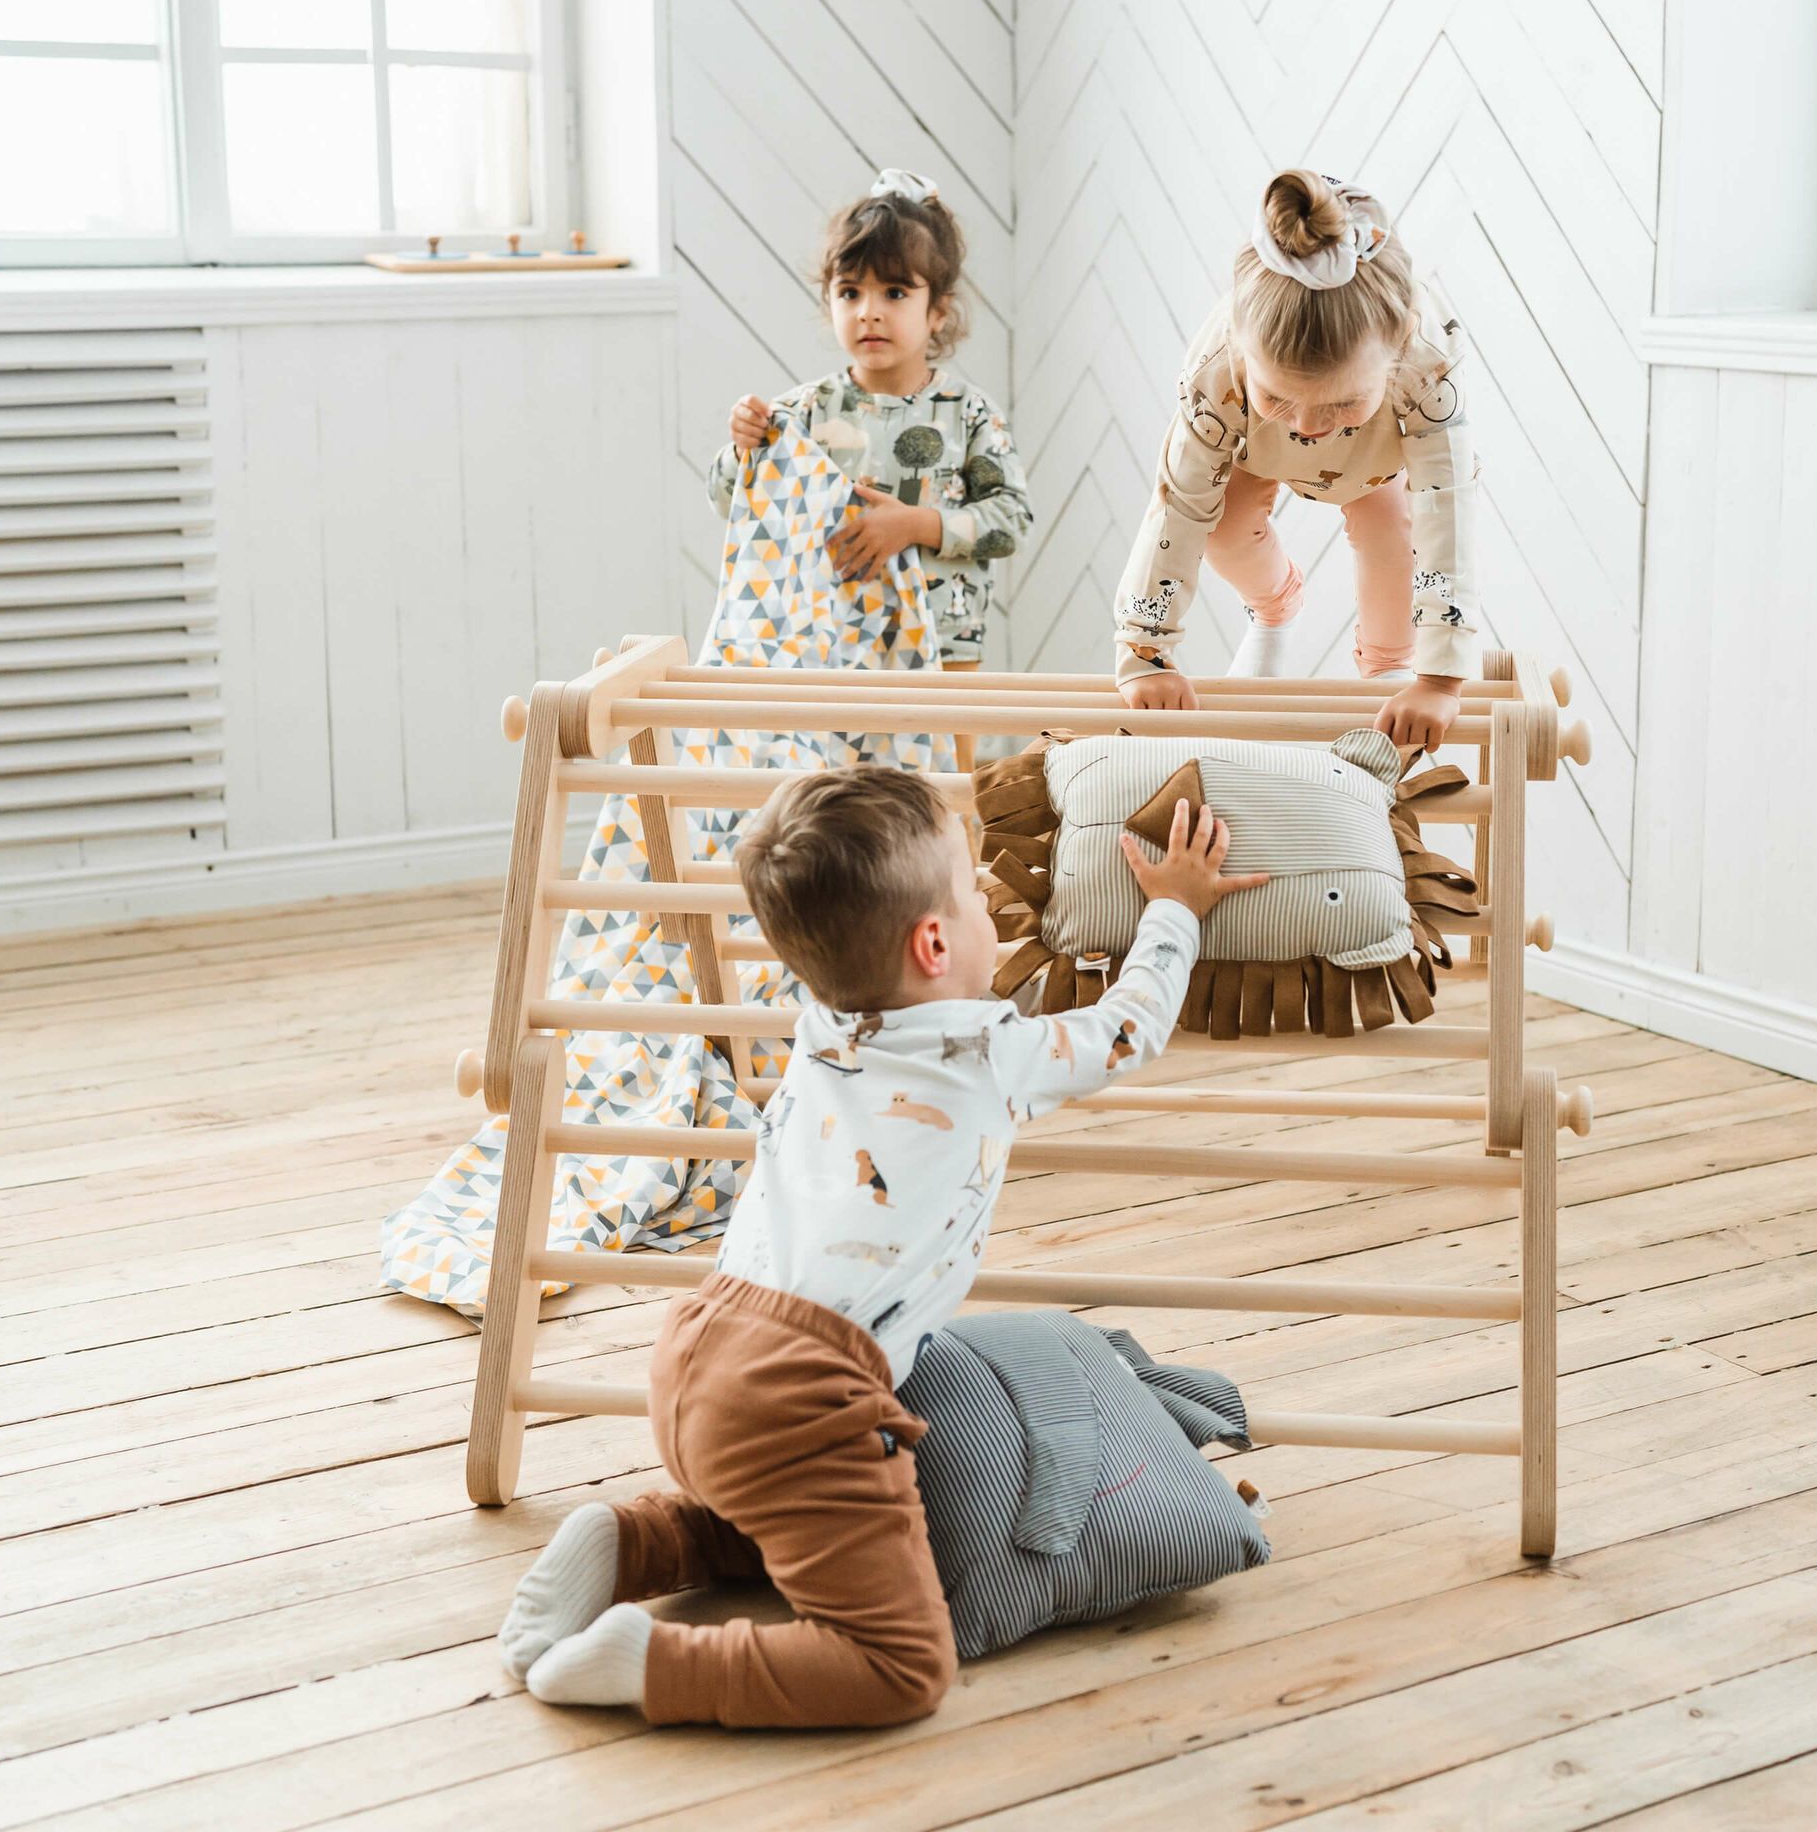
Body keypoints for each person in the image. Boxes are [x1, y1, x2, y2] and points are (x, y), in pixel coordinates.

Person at [496, 763, 1263, 1728]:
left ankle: (630, 1543)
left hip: (695, 1351)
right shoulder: (989, 1055)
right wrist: (1175, 909)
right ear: (935, 942)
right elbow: (1130, 1028)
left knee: (778, 1515)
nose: (994, 907)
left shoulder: (820, 1021)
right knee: (902, 1666)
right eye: (979, 896)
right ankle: (654, 1663)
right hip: (802, 1391)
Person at [1112, 169, 1481, 754]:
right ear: (1240, 347)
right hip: (1257, 447)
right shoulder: (1216, 370)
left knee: (1392, 533)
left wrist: (1438, 680)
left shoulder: (1427, 366)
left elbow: (1448, 511)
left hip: (1374, 459)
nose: (1308, 424)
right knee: (1225, 529)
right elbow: (1178, 507)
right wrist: (1145, 652)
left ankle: (1388, 663)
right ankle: (1275, 606)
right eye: (1280, 395)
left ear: (1400, 347)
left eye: (1341, 400)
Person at [710, 168, 1030, 768]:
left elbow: (1011, 519)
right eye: (850, 293)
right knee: (842, 807)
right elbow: (735, 503)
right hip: (832, 639)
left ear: (939, 311)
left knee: (943, 799)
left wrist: (914, 525)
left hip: (943, 641)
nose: (869, 313)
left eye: (895, 293)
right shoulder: (802, 413)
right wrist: (744, 449)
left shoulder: (969, 413)